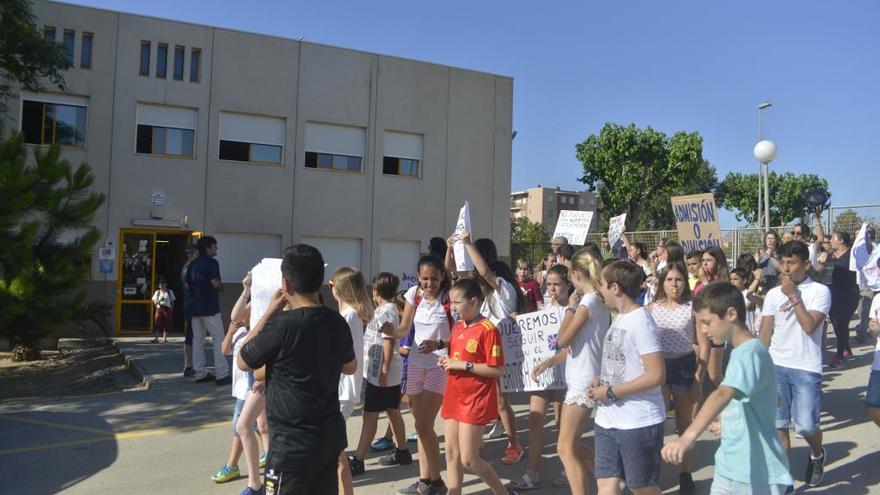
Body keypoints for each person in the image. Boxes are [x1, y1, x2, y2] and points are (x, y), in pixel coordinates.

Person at [238, 244, 358, 495]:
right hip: (327, 437)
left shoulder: (282, 325)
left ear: (285, 284)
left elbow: (243, 360)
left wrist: (269, 312)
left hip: (290, 444)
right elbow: (350, 366)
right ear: (321, 282)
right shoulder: (336, 321)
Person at [662, 282, 793, 494]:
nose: (702, 330)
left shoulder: (749, 353)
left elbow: (723, 393)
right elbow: (771, 399)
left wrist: (687, 436)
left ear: (731, 314)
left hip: (756, 472)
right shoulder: (742, 352)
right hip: (729, 465)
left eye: (707, 322)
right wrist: (729, 419)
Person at [588, 261, 666, 495]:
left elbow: (656, 374)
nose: (599, 291)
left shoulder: (642, 322)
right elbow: (625, 363)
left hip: (638, 421)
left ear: (615, 288)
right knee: (606, 485)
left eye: (602, 285)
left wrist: (611, 392)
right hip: (607, 419)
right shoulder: (620, 318)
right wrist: (601, 380)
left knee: (642, 487)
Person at [758, 240, 831, 488]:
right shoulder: (772, 294)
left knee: (807, 426)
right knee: (779, 426)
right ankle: (783, 481)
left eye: (792, 262)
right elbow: (765, 332)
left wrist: (793, 296)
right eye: (783, 262)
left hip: (806, 367)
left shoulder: (820, 292)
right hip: (776, 366)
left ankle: (817, 454)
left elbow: (810, 326)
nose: (786, 268)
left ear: (806, 264)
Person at [438, 278, 518, 495]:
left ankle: (502, 492)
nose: (452, 307)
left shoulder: (488, 330)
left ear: (473, 302)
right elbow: (457, 355)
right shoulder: (458, 326)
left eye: (457, 302)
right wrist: (447, 361)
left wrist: (463, 365)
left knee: (469, 459)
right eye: (451, 302)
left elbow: (497, 369)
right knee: (451, 454)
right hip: (454, 395)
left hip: (475, 398)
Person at [382, 255, 453, 495]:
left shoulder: (449, 298)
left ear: (442, 277)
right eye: (425, 278)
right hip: (414, 364)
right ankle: (425, 480)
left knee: (423, 424)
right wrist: (391, 330)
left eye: (434, 278)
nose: (429, 283)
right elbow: (404, 329)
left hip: (439, 365)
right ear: (418, 277)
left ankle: (437, 483)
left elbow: (461, 334)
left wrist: (439, 344)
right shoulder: (414, 294)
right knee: (423, 427)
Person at [453, 233, 524, 465]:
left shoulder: (503, 291)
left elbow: (485, 273)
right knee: (483, 400)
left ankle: (513, 444)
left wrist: (467, 243)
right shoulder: (484, 299)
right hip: (483, 354)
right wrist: (452, 249)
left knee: (501, 402)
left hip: (499, 356)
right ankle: (476, 442)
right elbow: (462, 274)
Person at [552, 249, 611, 495]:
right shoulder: (598, 300)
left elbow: (562, 340)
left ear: (576, 274)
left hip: (583, 379)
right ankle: (612, 477)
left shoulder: (587, 302)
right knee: (572, 445)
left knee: (565, 448)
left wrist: (569, 309)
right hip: (586, 375)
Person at [647, 262, 707, 495]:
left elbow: (704, 345)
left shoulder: (693, 307)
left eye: (679, 279)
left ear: (685, 282)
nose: (674, 284)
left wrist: (699, 377)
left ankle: (685, 473)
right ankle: (650, 475)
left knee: (684, 425)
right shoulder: (651, 308)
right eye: (670, 279)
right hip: (659, 369)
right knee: (655, 424)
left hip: (684, 366)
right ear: (662, 283)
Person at [512, 264, 571, 491]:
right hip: (542, 374)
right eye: (549, 284)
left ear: (568, 284)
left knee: (562, 423)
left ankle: (568, 470)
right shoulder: (544, 309)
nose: (552, 289)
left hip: (565, 374)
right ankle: (532, 473)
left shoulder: (575, 309)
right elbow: (532, 331)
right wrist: (518, 320)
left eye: (557, 284)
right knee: (535, 420)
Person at [349, 273, 412, 476]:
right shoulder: (385, 310)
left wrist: (384, 371)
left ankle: (358, 460)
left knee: (369, 416)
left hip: (381, 375)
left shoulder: (387, 312)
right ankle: (402, 451)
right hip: (382, 373)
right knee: (392, 411)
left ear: (375, 292)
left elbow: (389, 341)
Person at [330, 267, 372, 495]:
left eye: (331, 284)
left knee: (334, 452)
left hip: (341, 390)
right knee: (333, 451)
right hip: (343, 390)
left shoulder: (348, 317)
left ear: (339, 289)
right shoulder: (350, 315)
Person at [187, 236, 229, 385]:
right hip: (209, 307)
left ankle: (199, 374)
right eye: (215, 246)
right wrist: (222, 288)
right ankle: (222, 374)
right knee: (219, 339)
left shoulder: (192, 264)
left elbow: (187, 284)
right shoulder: (212, 263)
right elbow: (215, 283)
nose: (216, 249)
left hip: (194, 307)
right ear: (208, 248)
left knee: (198, 340)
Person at [697, 246, 730, 388]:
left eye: (709, 260)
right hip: (698, 330)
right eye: (703, 260)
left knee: (715, 375)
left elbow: (715, 304)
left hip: (714, 331)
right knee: (698, 373)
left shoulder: (721, 282)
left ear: (718, 262)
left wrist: (705, 283)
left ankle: (733, 398)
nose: (704, 263)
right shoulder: (700, 280)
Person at [826, 231, 860, 368]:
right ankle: (847, 349)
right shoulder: (831, 256)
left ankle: (840, 356)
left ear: (841, 241)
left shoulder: (852, 256)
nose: (830, 241)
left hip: (849, 295)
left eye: (833, 239)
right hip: (833, 295)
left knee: (841, 324)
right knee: (835, 323)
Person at [181, 244, 198, 376]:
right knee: (192, 335)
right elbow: (189, 287)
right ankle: (190, 365)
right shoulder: (189, 269)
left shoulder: (187, 267)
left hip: (190, 304)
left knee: (191, 334)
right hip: (193, 305)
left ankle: (190, 365)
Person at [866, 292, 880, 427]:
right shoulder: (877, 298)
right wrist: (873, 328)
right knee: (872, 406)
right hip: (878, 363)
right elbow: (873, 330)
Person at [151, 277, 175, 344]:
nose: (161, 285)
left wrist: (171, 309)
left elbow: (172, 301)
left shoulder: (170, 291)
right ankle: (156, 338)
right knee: (157, 323)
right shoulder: (157, 292)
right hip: (159, 309)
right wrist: (159, 300)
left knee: (167, 323)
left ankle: (164, 339)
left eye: (162, 283)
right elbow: (155, 302)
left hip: (167, 309)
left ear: (165, 284)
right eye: (160, 283)